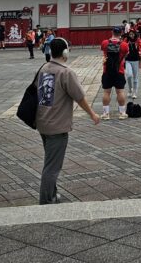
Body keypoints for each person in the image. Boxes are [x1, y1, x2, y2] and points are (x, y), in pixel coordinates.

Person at [35, 37, 101, 204]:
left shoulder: (44, 68)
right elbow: (79, 97)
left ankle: (53, 193)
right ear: (65, 52)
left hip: (43, 123)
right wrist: (92, 114)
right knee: (52, 167)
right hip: (57, 126)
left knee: (50, 161)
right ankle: (46, 200)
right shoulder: (66, 72)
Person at [99, 26, 129, 119]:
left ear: (112, 32)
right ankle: (122, 113)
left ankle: (106, 114)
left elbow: (103, 53)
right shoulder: (124, 45)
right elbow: (126, 55)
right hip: (119, 71)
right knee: (120, 91)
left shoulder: (105, 43)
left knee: (106, 92)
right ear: (121, 33)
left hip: (107, 71)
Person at [124, 31, 141, 100]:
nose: (131, 35)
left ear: (135, 34)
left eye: (132, 34)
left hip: (136, 60)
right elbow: (122, 48)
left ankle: (135, 92)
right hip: (128, 60)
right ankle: (130, 89)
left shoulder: (138, 40)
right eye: (130, 34)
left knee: (135, 78)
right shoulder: (126, 40)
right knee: (129, 75)